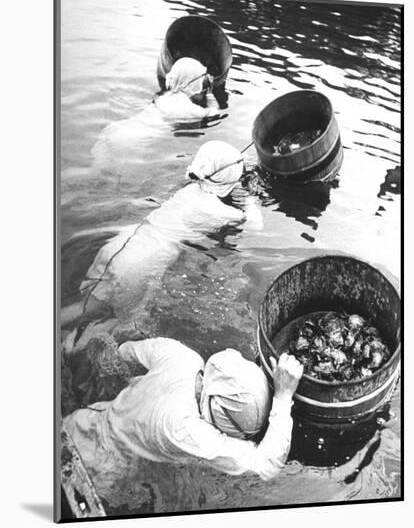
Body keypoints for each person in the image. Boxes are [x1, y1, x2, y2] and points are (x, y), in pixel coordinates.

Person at [63, 336, 303, 501]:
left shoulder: (180, 355)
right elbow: (268, 466)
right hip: (100, 471)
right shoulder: (186, 430)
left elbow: (123, 353)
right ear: (216, 414)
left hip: (84, 421)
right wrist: (283, 397)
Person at [61, 140, 263, 328]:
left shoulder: (189, 190)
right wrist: (252, 197)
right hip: (142, 260)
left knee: (87, 298)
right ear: (229, 178)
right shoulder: (222, 212)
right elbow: (256, 226)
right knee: (98, 311)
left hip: (124, 241)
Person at [92, 57, 220, 166]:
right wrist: (209, 93)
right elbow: (214, 112)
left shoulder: (165, 96)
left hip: (120, 128)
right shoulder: (189, 109)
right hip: (136, 140)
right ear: (194, 82)